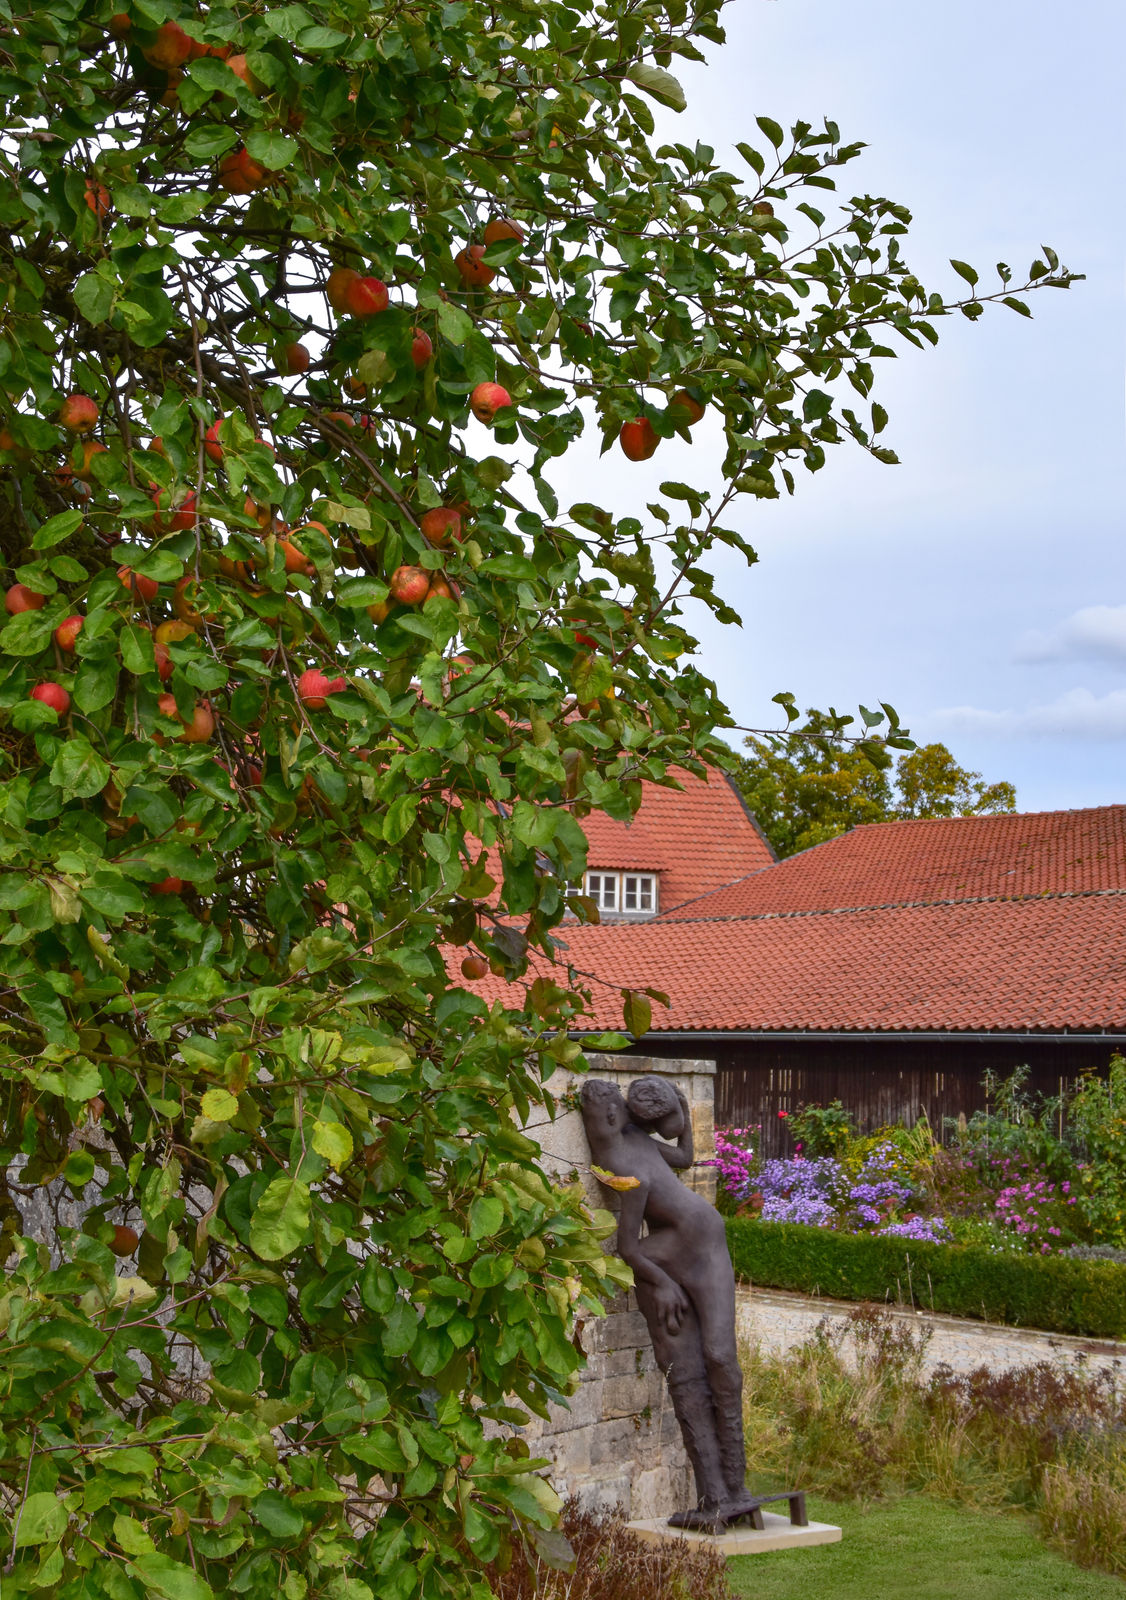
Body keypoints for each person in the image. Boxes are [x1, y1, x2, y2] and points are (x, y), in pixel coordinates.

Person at [580, 1076, 755, 1530]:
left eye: (603, 1117)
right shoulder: (618, 1162)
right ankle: (713, 1494)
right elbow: (629, 1247)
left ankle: (737, 1487)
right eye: (592, 1121)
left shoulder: (633, 1142)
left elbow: (683, 1158)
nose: (598, 1127)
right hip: (667, 1249)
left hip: (704, 1240)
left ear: (617, 1116)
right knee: (684, 1369)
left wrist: (683, 1110)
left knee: (720, 1356)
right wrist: (662, 1284)